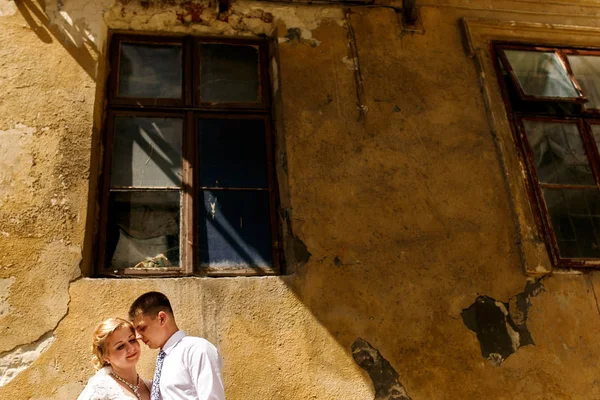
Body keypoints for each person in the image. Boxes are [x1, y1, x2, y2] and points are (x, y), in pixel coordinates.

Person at [129, 292, 226, 400]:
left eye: (142, 328)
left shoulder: (197, 349)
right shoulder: (164, 358)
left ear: (162, 318)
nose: (138, 336)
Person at [78, 318, 152, 400]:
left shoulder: (151, 386)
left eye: (132, 340)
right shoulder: (100, 389)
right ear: (105, 356)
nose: (130, 348)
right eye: (120, 346)